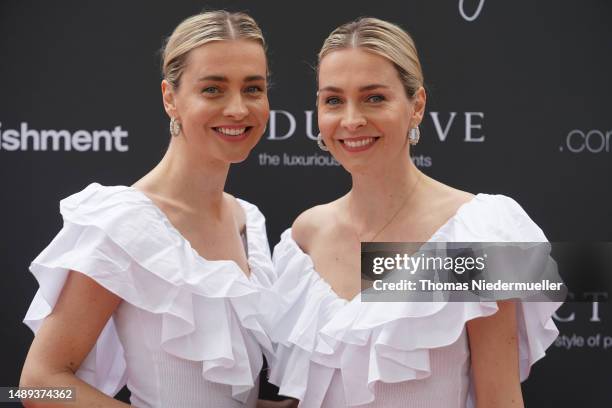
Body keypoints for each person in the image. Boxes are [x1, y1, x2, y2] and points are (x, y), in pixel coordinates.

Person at [266, 17, 561, 407]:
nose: (352, 120)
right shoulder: (305, 237)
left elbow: (499, 398)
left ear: (416, 105)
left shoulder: (473, 231)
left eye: (374, 97)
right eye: (333, 100)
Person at [21, 10, 276, 408]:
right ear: (170, 98)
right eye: (213, 89)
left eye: (253, 89)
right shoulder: (126, 223)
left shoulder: (250, 221)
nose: (238, 109)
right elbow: (39, 383)